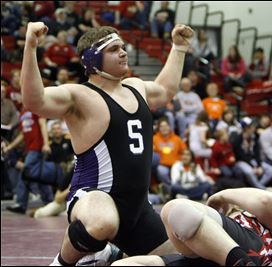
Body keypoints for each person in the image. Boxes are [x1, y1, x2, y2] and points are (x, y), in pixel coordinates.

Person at [20, 21, 194, 265]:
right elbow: (34, 100)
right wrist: (30, 46)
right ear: (92, 60)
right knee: (103, 222)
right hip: (93, 198)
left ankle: (113, 256)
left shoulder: (136, 87)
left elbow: (165, 90)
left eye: (123, 47)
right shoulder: (80, 96)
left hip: (138, 209)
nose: (123, 52)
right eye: (113, 49)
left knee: (182, 258)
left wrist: (178, 48)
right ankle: (62, 262)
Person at [111, 187, 272, 266]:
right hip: (202, 257)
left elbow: (266, 199)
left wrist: (220, 197)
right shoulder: (209, 232)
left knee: (174, 210)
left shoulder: (267, 227)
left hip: (243, 249)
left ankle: (239, 260)